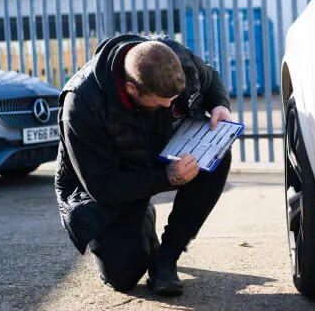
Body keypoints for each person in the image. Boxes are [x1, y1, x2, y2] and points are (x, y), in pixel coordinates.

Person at [54, 34, 232, 296]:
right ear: (131, 89)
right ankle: (142, 217)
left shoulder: (174, 56)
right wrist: (168, 176)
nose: (172, 106)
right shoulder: (81, 104)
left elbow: (210, 79)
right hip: (110, 181)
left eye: (175, 99)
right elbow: (101, 187)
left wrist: (219, 104)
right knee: (123, 278)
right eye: (162, 103)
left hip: (157, 152)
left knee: (216, 157)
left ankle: (166, 260)